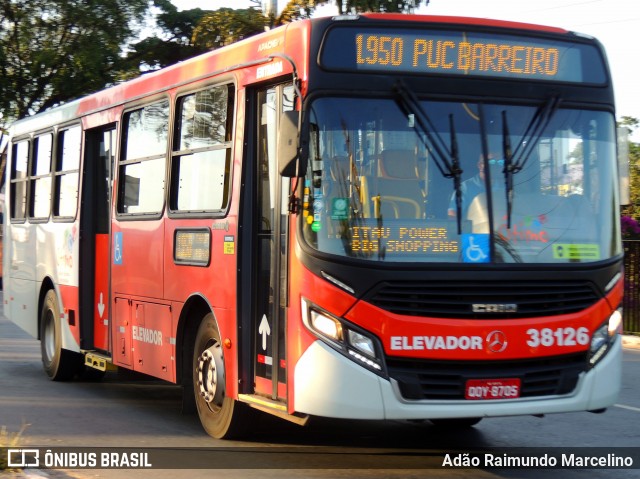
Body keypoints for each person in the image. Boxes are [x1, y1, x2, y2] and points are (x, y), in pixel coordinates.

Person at [447, 153, 503, 219]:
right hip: (471, 229)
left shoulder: (504, 188)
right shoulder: (465, 187)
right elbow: (452, 213)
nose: (496, 166)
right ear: (479, 165)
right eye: (491, 162)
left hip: (499, 228)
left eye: (500, 162)